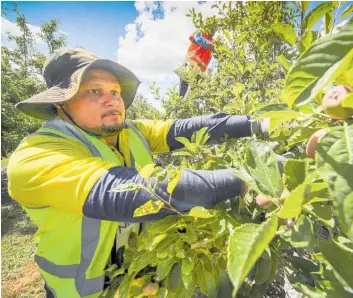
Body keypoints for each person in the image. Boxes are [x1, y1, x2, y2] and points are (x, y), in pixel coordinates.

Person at [7, 48, 275, 297]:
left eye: (114, 91)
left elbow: (185, 129)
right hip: (81, 292)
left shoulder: (130, 130)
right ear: (60, 104)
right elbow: (128, 193)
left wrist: (260, 125)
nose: (112, 100)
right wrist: (255, 177)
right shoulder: (35, 155)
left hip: (136, 274)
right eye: (93, 91)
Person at [179, 29, 215, 97]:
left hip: (200, 70)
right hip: (190, 63)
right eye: (212, 28)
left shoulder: (214, 43)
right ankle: (179, 105)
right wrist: (208, 44)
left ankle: (188, 106)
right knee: (183, 90)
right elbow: (197, 39)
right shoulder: (200, 33)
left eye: (215, 29)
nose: (213, 30)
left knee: (194, 95)